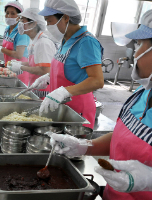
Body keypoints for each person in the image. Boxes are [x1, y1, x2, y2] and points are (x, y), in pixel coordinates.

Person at [49, 10, 152, 200]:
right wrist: (84, 146)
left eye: (140, 45)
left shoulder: (86, 41)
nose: (135, 53)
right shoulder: (141, 94)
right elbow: (124, 137)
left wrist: (149, 179)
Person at [32, 0, 104, 129]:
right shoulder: (65, 40)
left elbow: (97, 81)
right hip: (63, 106)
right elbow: (70, 69)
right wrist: (48, 77)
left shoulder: (86, 42)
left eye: (49, 20)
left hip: (77, 110)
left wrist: (64, 92)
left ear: (65, 17)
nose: (48, 25)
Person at [6, 8, 56, 99]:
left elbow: (45, 70)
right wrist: (19, 63)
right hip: (35, 88)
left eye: (23, 20)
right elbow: (34, 63)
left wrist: (21, 67)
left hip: (44, 92)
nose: (20, 23)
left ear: (33, 23)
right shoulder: (34, 41)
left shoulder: (43, 43)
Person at [0, 1, 30, 85]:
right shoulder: (7, 29)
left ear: (19, 16)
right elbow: (6, 46)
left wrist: (1, 49)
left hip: (20, 70)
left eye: (13, 13)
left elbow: (19, 54)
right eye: (7, 13)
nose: (9, 16)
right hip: (9, 67)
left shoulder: (21, 32)